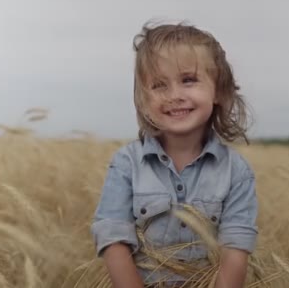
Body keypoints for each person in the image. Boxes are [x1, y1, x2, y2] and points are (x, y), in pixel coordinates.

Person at [91, 21, 259, 287]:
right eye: (159, 85)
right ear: (144, 99)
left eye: (188, 80)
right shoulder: (127, 163)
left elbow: (236, 248)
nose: (174, 95)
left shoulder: (236, 170)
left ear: (219, 90)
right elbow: (113, 239)